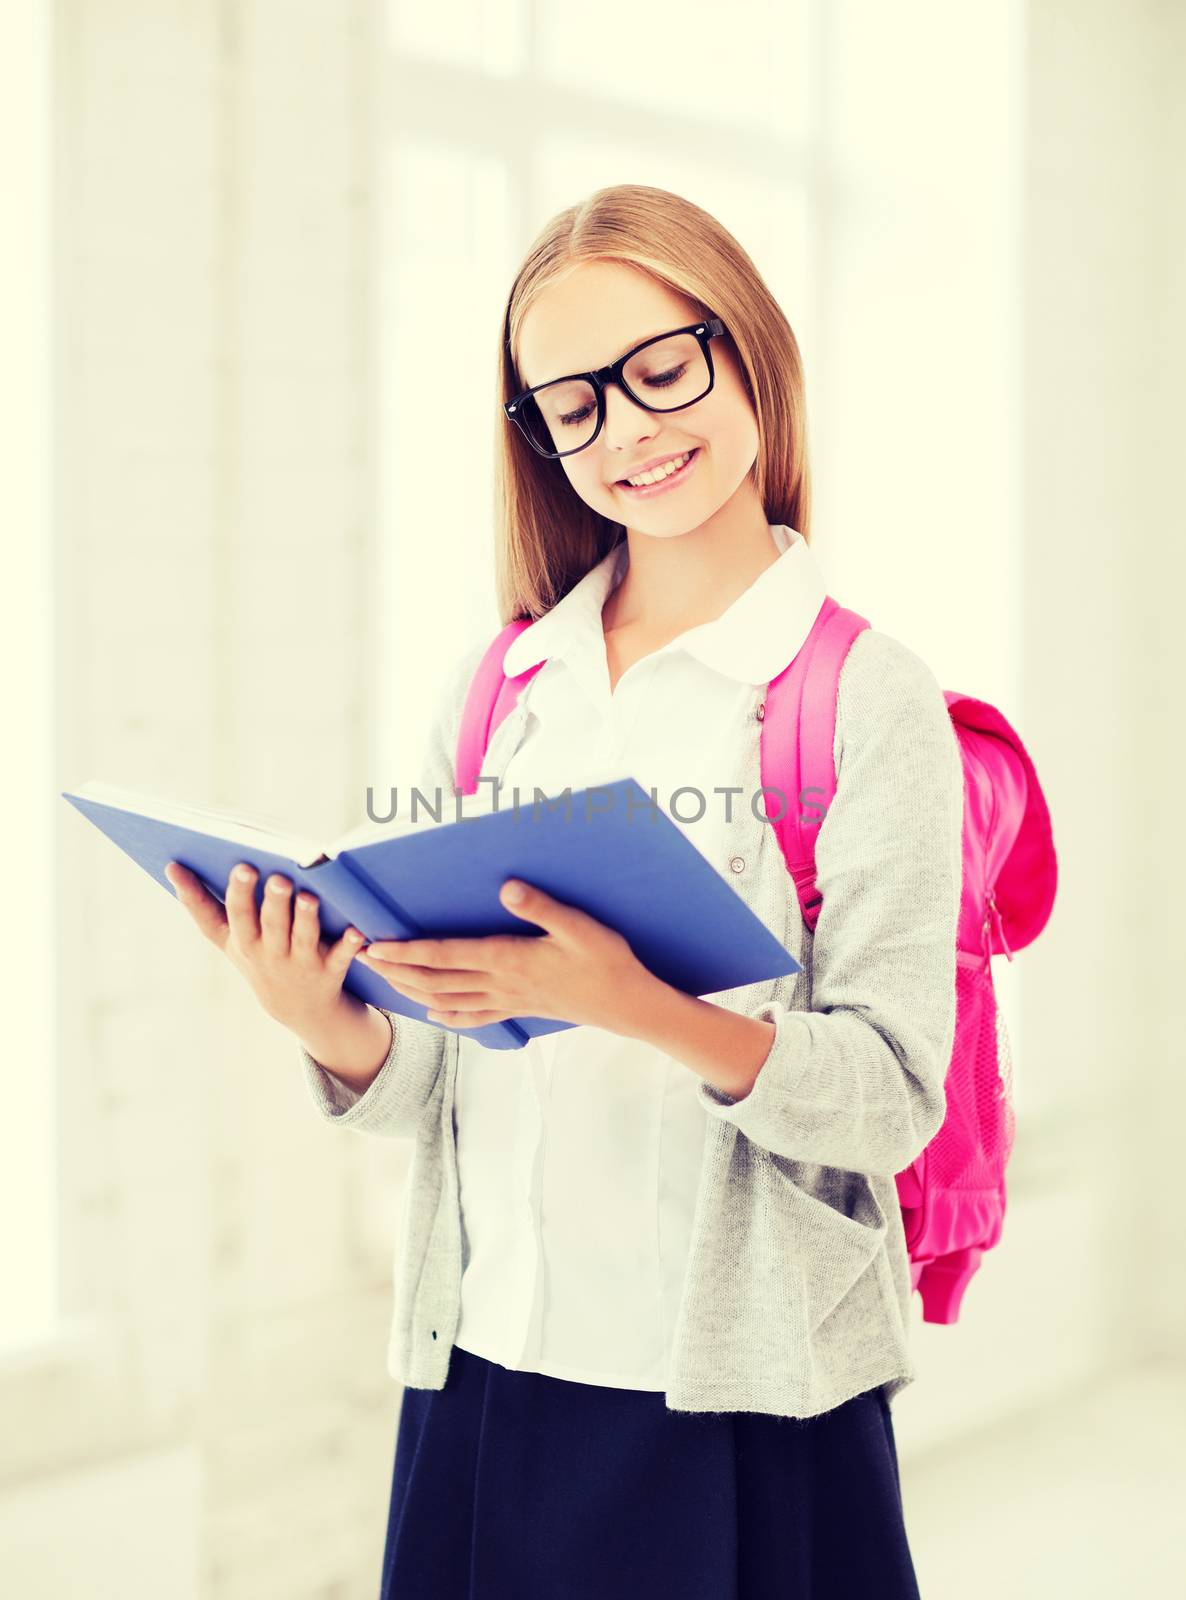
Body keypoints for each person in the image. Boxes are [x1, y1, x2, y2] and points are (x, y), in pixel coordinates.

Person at [166, 183, 964, 1599]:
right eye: (572, 406)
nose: (629, 431)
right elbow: (446, 1076)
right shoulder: (504, 691)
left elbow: (893, 1098)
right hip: (489, 1375)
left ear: (749, 348)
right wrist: (327, 1018)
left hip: (740, 1401)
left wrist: (635, 1005)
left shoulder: (858, 699)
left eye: (659, 368)